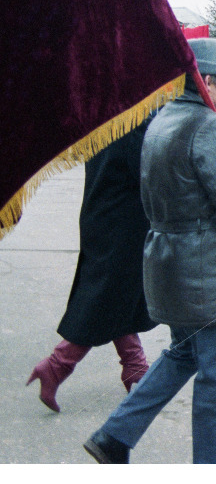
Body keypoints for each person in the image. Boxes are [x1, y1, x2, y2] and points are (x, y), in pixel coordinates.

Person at [83, 37, 216, 464]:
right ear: (206, 81)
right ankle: (215, 463)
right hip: (206, 272)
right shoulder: (209, 126)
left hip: (171, 263)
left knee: (183, 354)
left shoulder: (163, 119)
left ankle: (115, 436)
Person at [28, 119, 156, 414]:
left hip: (104, 215)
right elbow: (145, 170)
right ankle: (57, 366)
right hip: (122, 223)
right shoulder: (132, 121)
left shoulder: (108, 117)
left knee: (115, 293)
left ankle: (135, 367)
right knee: (107, 295)